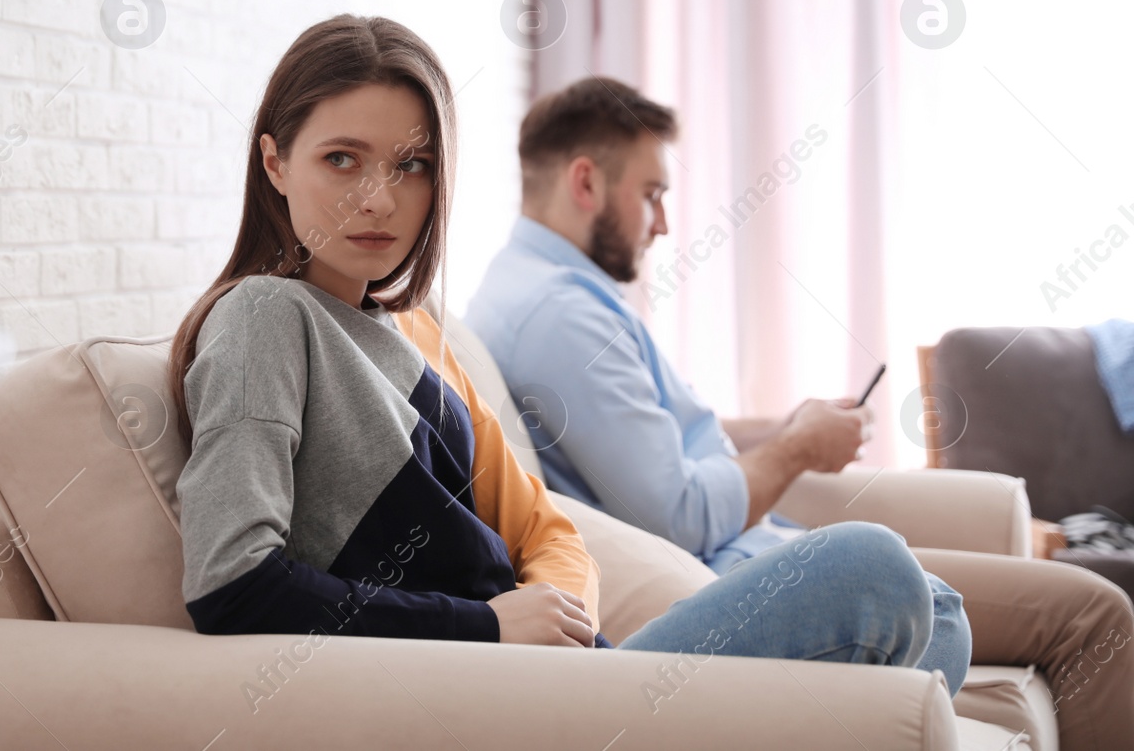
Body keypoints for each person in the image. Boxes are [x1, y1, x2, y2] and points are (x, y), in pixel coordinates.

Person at [171, 15, 966, 688]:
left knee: (941, 619)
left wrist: (549, 622)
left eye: (411, 165)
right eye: (341, 158)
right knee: (875, 570)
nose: (380, 198)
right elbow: (232, 584)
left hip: (566, 675)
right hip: (511, 696)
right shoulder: (265, 317)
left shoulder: (395, 324)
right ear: (275, 161)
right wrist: (484, 627)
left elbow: (544, 530)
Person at [465, 74, 1134, 743]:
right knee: (1088, 611)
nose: (664, 222)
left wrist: (787, 426)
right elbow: (682, 513)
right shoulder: (561, 318)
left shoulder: (539, 288)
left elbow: (652, 440)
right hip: (727, 566)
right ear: (585, 183)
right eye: (653, 194)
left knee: (1019, 609)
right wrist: (797, 451)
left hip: (750, 545)